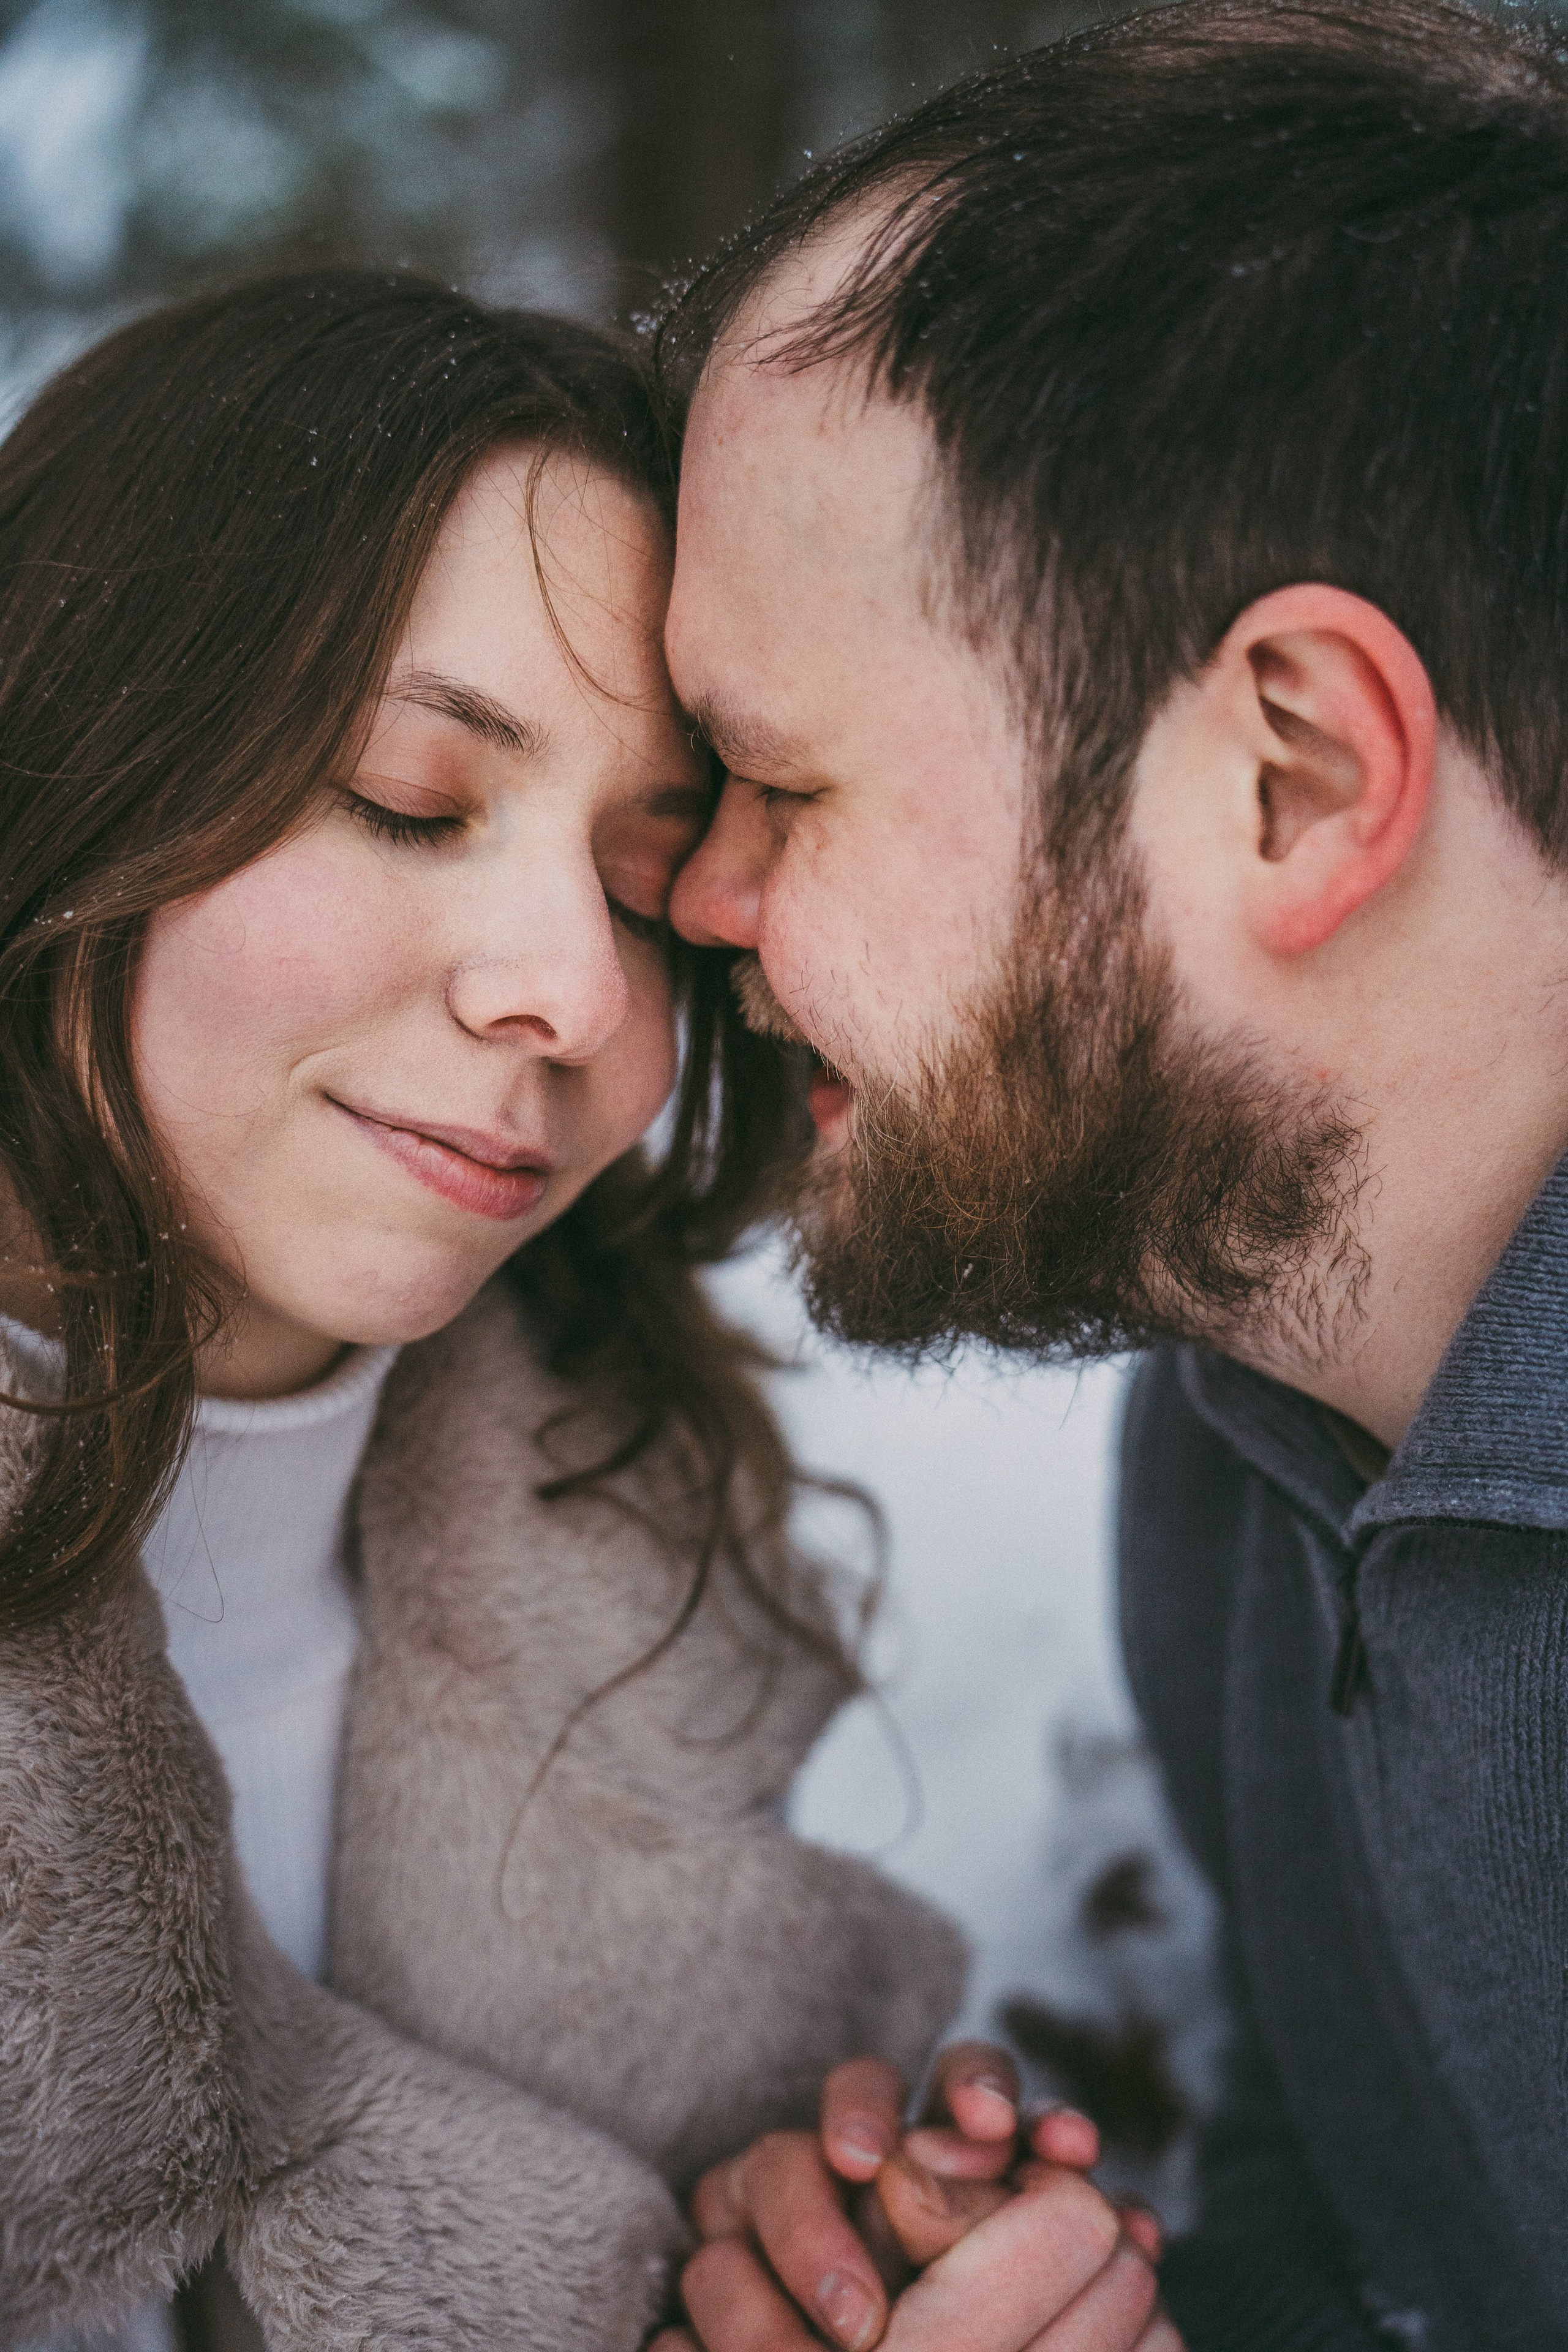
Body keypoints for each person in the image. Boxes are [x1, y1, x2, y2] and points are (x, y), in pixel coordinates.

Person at [653, 0, 1568, 2346]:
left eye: (785, 781)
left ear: (1292, 777)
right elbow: (1400, 2250)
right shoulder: (1245, 1428)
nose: (699, 898)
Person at [0, 270, 966, 2352]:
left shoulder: (647, 1578)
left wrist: (797, 2280)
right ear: (76, 749)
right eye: (410, 799)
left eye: (641, 884)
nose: (578, 992)